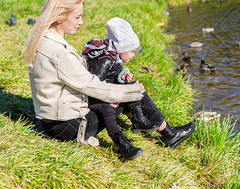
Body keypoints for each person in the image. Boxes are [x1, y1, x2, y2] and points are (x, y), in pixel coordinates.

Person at [24, 0, 146, 160]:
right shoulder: (60, 52)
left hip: (50, 120)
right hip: (68, 127)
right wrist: (135, 91)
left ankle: (151, 131)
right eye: (77, 17)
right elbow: (94, 87)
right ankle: (136, 137)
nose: (81, 22)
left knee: (115, 96)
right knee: (122, 96)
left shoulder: (42, 40)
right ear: (59, 16)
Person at [82, 17, 196, 157]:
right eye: (131, 51)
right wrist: (119, 96)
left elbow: (109, 80)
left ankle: (163, 130)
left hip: (104, 104)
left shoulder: (110, 55)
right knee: (135, 91)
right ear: (121, 48)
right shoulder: (104, 60)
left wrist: (122, 79)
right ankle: (167, 133)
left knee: (133, 89)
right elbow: (93, 88)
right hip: (98, 110)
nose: (133, 55)